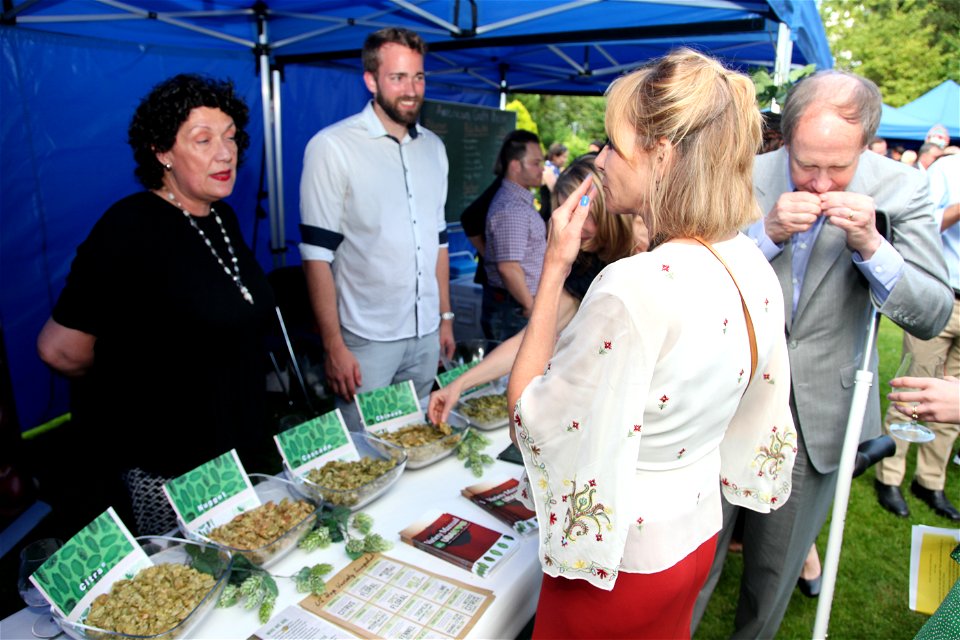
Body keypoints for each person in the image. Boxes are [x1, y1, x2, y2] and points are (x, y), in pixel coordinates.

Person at [507, 49, 797, 638]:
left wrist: (556, 266)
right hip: (694, 533)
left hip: (622, 560)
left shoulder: (633, 285)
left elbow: (529, 414)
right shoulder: (746, 259)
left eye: (613, 144)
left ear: (662, 155)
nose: (600, 159)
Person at [694, 70, 953, 638]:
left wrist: (872, 246)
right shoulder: (739, 168)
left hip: (816, 416)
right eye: (806, 163)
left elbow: (932, 313)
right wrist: (762, 235)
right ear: (785, 137)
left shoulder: (902, 190)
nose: (819, 183)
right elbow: (690, 278)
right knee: (692, 560)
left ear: (866, 145)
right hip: (720, 400)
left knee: (773, 569)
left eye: (839, 168)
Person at [36, 74, 275, 536]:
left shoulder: (220, 215)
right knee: (188, 585)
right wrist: (130, 373)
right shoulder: (128, 228)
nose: (226, 153)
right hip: (173, 467)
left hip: (237, 448)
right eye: (203, 140)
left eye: (230, 138)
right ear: (162, 152)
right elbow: (59, 348)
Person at [298, 27, 454, 427]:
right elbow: (316, 256)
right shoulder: (332, 147)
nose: (411, 89)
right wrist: (333, 345)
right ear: (370, 80)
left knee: (420, 439)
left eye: (418, 77)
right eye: (398, 77)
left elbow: (438, 242)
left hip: (425, 335)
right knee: (364, 457)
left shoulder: (434, 148)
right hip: (366, 340)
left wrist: (446, 318)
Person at [428, 155, 646, 425]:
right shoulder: (585, 263)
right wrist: (459, 384)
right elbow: (528, 338)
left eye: (588, 210)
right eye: (571, 212)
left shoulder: (650, 251)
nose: (580, 226)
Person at [875, 152, 960, 521]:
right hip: (943, 300)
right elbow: (925, 229)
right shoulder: (947, 169)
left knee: (953, 402)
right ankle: (889, 476)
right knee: (914, 389)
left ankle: (931, 481)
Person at [482, 130, 546, 342]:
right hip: (515, 309)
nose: (542, 169)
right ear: (515, 166)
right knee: (510, 373)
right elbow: (508, 267)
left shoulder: (517, 202)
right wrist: (531, 307)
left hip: (514, 306)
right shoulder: (512, 208)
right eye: (535, 163)